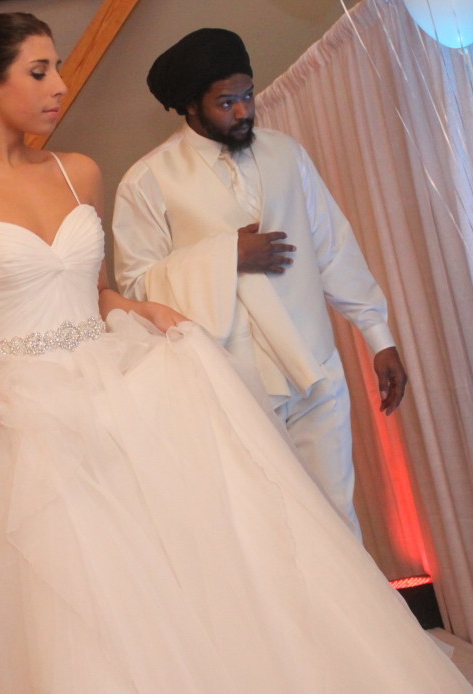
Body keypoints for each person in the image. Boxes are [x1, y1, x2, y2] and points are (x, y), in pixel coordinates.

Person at [0, 12, 471, 694]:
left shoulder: (77, 173)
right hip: (24, 413)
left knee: (197, 574)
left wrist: (145, 309)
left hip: (115, 392)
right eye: (39, 71)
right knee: (76, 594)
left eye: (57, 67)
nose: (59, 84)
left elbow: (93, 294)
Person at [111, 28, 407, 537]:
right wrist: (226, 255)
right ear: (190, 105)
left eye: (248, 95)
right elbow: (135, 290)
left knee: (337, 519)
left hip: (315, 366)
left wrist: (378, 337)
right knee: (269, 531)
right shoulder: (147, 179)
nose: (244, 111)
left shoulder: (287, 154)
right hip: (234, 382)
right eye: (226, 102)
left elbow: (333, 247)